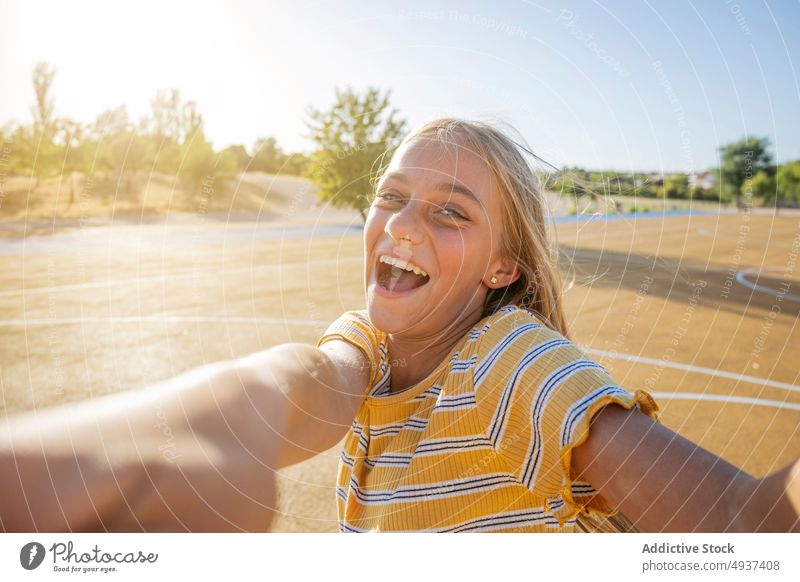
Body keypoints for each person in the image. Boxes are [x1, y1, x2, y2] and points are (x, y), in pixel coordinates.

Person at [1, 118, 798, 533]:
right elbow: (306, 381)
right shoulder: (369, 342)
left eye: (451, 211)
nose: (403, 226)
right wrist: (214, 422)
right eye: (391, 196)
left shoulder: (509, 357)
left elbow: (745, 522)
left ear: (503, 269)